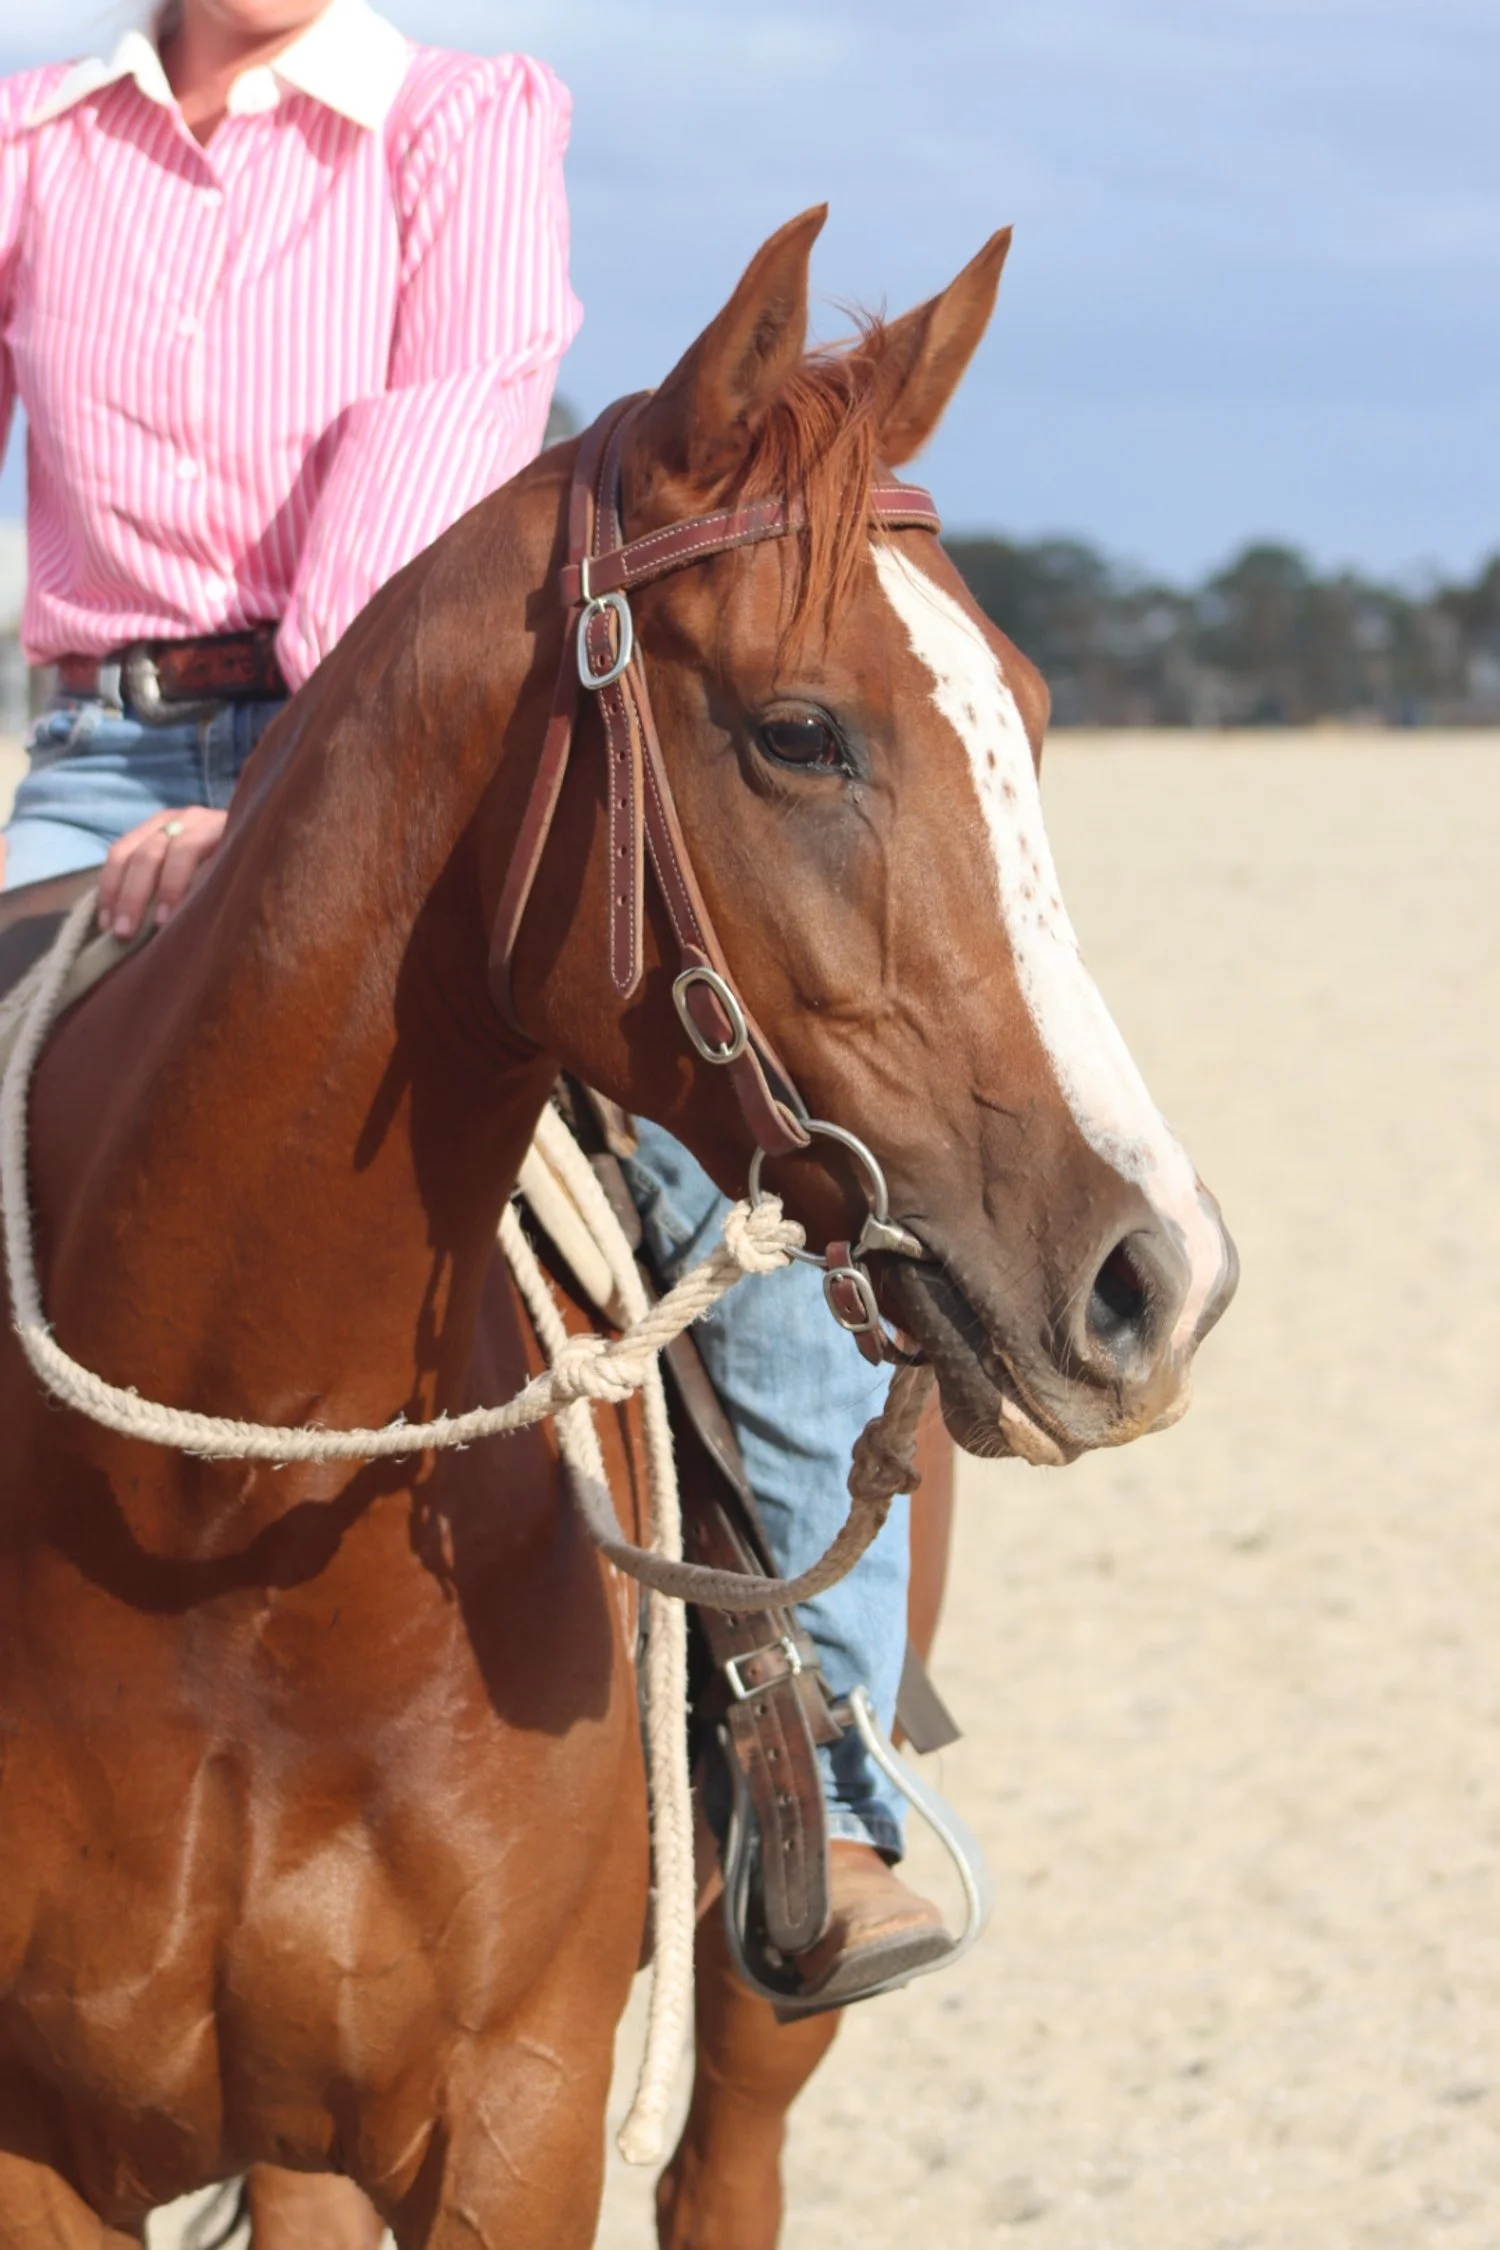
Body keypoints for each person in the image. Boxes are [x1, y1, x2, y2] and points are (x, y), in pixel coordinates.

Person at [0, 0, 943, 1997]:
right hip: (89, 756)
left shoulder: (465, 125)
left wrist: (280, 813)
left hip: (410, 748)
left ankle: (821, 1776)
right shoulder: (31, 142)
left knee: (743, 1190)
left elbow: (435, 441)